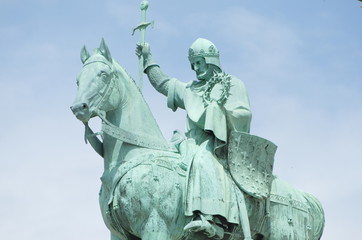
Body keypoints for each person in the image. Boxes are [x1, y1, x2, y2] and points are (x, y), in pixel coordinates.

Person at [136, 38, 252, 239]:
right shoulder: (191, 89)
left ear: (211, 61)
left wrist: (219, 113)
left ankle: (212, 219)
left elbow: (244, 114)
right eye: (193, 64)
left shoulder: (233, 84)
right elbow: (164, 84)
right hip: (190, 142)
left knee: (202, 159)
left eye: (200, 62)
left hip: (219, 145)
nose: (196, 68)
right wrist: (148, 59)